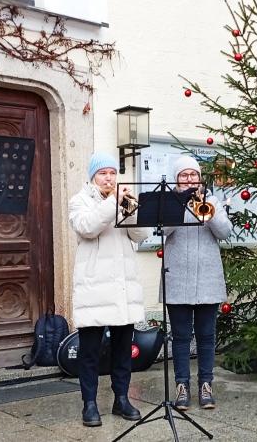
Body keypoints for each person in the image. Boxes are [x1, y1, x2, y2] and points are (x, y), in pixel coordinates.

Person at [69, 152, 150, 427]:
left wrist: (131, 208)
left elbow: (141, 235)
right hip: (94, 287)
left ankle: (121, 399)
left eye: (113, 173)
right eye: (103, 173)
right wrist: (113, 203)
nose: (109, 178)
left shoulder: (123, 200)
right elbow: (87, 227)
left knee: (122, 349)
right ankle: (89, 403)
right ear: (93, 176)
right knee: (90, 351)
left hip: (122, 287)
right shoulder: (79, 201)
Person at [162, 156, 233, 410]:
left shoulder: (212, 200)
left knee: (206, 336)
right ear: (176, 179)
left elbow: (224, 232)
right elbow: (162, 230)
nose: (190, 179)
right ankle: (182, 387)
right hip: (177, 277)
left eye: (194, 175)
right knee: (180, 337)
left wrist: (207, 209)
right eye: (184, 175)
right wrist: (182, 204)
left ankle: (206, 386)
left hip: (207, 278)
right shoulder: (169, 201)